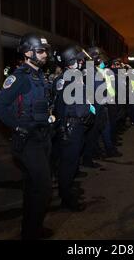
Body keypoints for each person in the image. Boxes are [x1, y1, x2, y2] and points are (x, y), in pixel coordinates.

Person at [0, 33, 53, 240]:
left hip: (42, 136)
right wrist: (18, 127)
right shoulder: (20, 77)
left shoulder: (39, 76)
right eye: (40, 51)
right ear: (28, 53)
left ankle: (31, 229)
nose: (45, 55)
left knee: (34, 186)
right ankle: (31, 231)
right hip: (28, 140)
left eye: (45, 51)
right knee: (43, 186)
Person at [52, 45, 95, 211]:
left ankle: (65, 189)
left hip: (64, 126)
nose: (81, 61)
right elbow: (80, 109)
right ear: (72, 61)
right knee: (68, 164)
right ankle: (67, 198)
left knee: (65, 162)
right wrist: (89, 114)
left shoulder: (61, 78)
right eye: (78, 59)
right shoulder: (74, 79)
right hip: (73, 127)